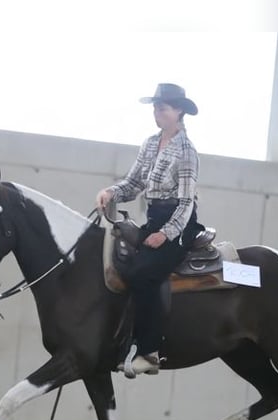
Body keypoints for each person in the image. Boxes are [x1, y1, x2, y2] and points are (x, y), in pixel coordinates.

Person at [96, 83, 204, 378]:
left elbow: (185, 202)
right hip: (154, 218)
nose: (157, 112)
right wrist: (110, 192)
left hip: (180, 223)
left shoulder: (187, 152)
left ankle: (149, 351)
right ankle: (123, 341)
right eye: (155, 107)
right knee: (128, 265)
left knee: (144, 273)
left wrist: (166, 233)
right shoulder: (149, 144)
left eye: (163, 108)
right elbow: (132, 185)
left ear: (179, 111)